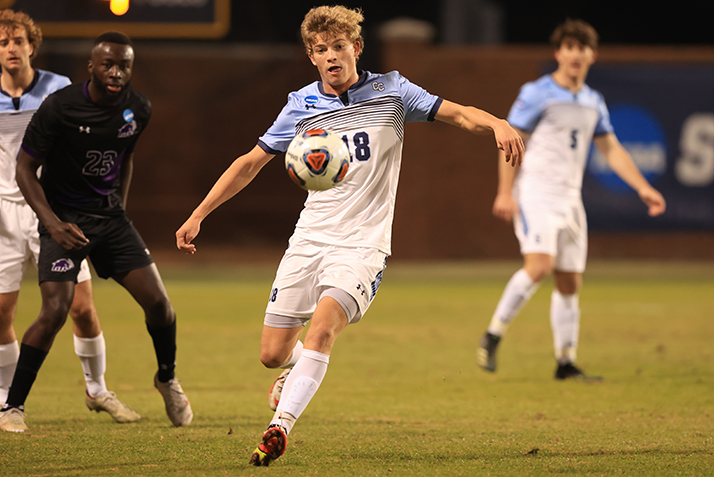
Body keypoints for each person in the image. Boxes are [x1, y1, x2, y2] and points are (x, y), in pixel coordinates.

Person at [176, 5, 524, 466]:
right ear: (312, 57)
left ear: (355, 48)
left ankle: (280, 427)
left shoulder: (393, 92)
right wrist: (199, 213)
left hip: (363, 245)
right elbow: (249, 163)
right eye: (321, 50)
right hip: (309, 240)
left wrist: (496, 123)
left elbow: (458, 114)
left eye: (339, 46)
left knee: (323, 328)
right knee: (271, 354)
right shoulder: (301, 105)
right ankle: (295, 367)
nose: (331, 56)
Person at [0, 31, 193, 433]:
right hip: (63, 221)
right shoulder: (60, 107)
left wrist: (119, 207)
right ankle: (13, 407)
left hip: (110, 220)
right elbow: (23, 169)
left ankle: (167, 379)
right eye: (107, 64)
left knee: (160, 305)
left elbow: (126, 158)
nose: (116, 72)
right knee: (55, 310)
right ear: (91, 66)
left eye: (124, 65)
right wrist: (52, 223)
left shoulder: (138, 108)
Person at [476, 19, 666, 380]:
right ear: (558, 53)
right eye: (569, 47)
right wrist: (505, 191)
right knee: (540, 266)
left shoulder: (593, 101)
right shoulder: (537, 92)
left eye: (582, 48)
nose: (575, 54)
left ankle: (565, 362)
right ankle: (493, 335)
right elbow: (511, 142)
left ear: (592, 55)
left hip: (570, 199)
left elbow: (611, 149)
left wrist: (643, 187)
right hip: (535, 193)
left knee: (570, 282)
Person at [0, 11, 138, 429]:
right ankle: (8, 403)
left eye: (18, 41)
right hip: (3, 213)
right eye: (3, 42)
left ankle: (97, 390)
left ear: (32, 45)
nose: (10, 49)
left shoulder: (58, 90)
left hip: (55, 210)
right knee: (3, 313)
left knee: (82, 308)